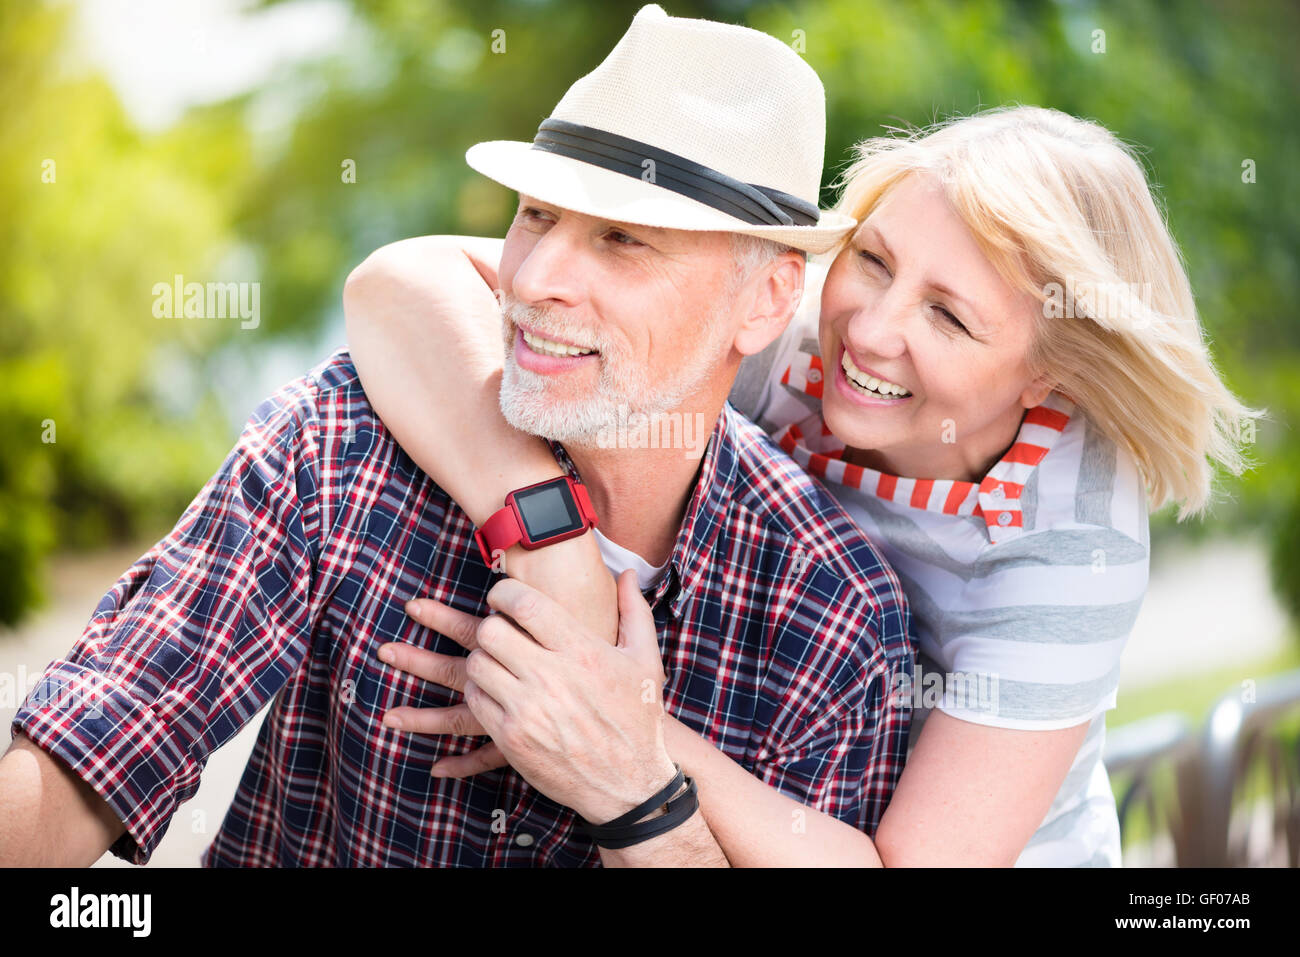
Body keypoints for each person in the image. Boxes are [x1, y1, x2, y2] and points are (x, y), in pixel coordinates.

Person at [0, 5, 912, 868]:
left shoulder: (831, 618)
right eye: (537, 214)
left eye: (625, 240)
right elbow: (109, 739)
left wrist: (634, 789)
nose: (539, 276)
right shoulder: (346, 441)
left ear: (765, 301)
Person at [344, 106, 1257, 866]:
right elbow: (407, 280)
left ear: (1046, 374)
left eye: (948, 315)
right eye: (872, 260)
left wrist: (596, 709)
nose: (870, 331)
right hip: (774, 782)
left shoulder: (1072, 546)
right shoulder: (791, 333)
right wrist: (549, 542)